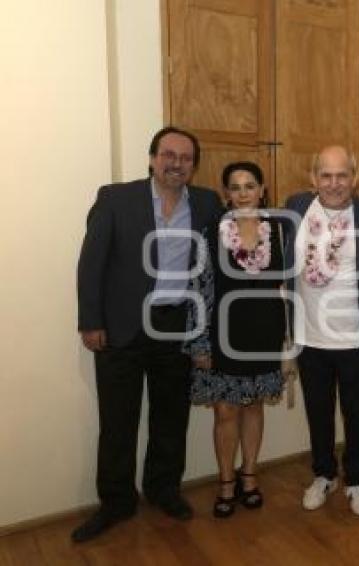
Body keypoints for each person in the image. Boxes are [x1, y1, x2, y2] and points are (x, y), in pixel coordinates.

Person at [74, 127, 223, 542]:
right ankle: (117, 502)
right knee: (118, 421)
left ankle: (163, 489)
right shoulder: (116, 198)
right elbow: (92, 263)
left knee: (170, 417)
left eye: (186, 157)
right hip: (121, 328)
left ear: (194, 165)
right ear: (153, 157)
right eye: (168, 154)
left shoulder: (208, 203)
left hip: (176, 328)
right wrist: (91, 321)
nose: (176, 163)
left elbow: (229, 253)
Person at [282, 145, 359, 516]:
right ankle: (324, 474)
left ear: (354, 178)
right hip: (310, 338)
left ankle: (356, 479)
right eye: (326, 175)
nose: (334, 183)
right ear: (313, 179)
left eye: (342, 175)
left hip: (357, 338)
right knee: (318, 413)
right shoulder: (295, 208)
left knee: (357, 415)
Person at [185, 161, 285, 518]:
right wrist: (198, 343)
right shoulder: (210, 232)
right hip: (221, 336)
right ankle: (226, 481)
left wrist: (288, 346)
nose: (243, 193)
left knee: (254, 406)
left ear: (262, 190)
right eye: (235, 187)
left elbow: (287, 290)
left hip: (265, 334)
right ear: (226, 193)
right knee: (226, 412)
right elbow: (197, 289)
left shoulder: (281, 231)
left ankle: (250, 476)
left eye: (250, 185)